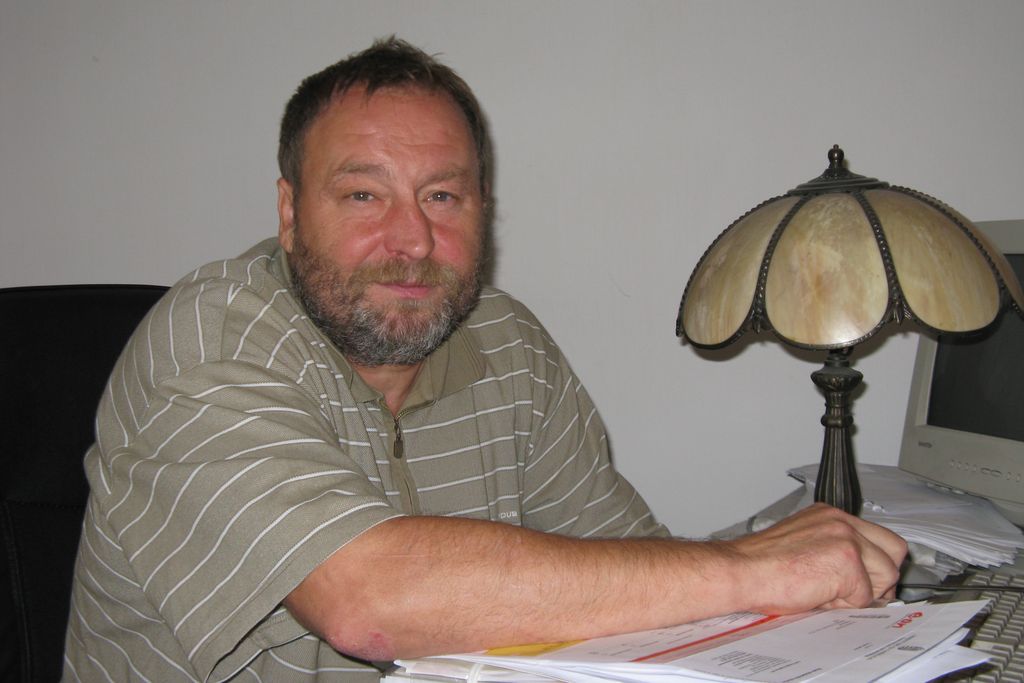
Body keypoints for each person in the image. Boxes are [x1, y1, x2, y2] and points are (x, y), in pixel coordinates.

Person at [63, 37, 906, 682]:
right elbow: (369, 602)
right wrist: (745, 567)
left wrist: (777, 592)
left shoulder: (508, 345)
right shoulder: (205, 344)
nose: (411, 239)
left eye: (442, 195)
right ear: (290, 214)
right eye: (362, 194)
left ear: (483, 210)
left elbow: (634, 571)